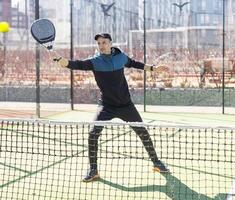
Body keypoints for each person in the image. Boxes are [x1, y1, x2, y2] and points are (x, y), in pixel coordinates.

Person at [54, 33, 170, 182]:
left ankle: (156, 162)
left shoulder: (120, 57)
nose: (101, 46)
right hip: (106, 106)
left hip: (126, 105)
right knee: (93, 134)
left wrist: (153, 68)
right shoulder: (95, 62)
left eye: (104, 42)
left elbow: (135, 63)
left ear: (110, 43)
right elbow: (77, 64)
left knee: (143, 132)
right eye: (99, 43)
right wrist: (64, 62)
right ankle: (93, 170)